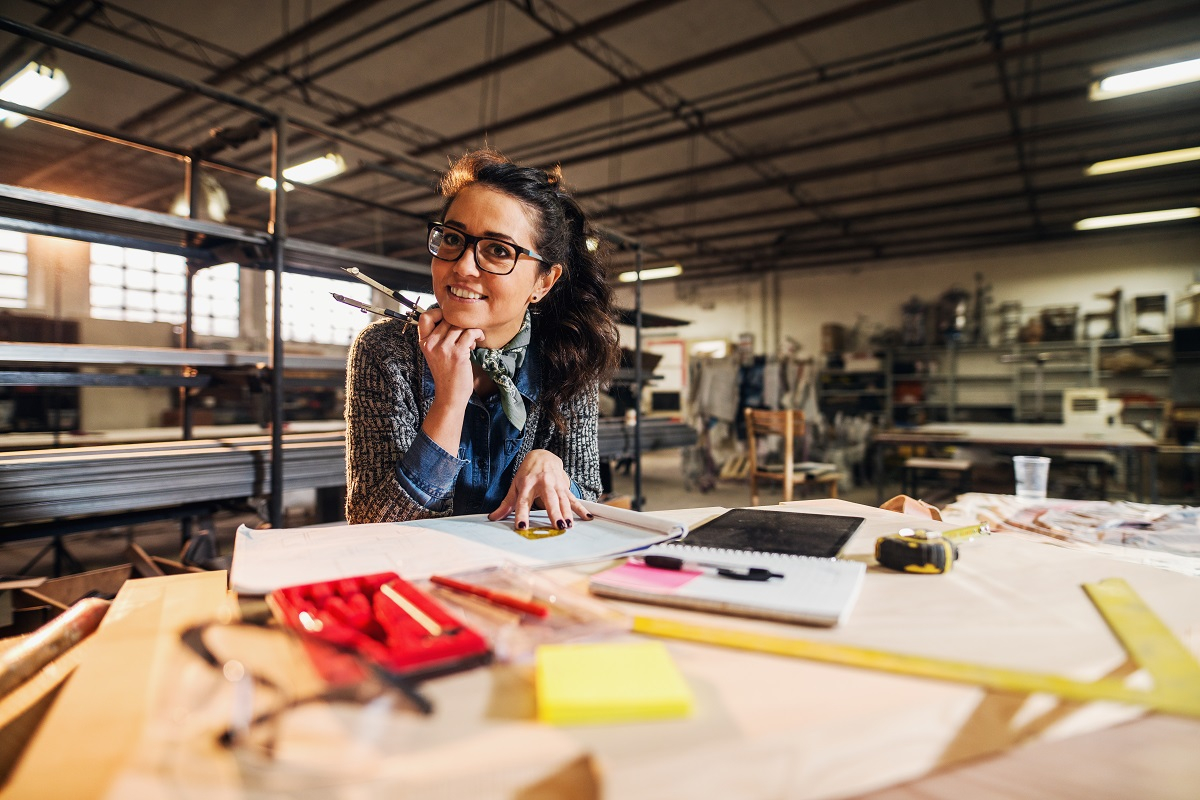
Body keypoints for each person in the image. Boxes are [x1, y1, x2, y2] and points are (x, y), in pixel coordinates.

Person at [344, 149, 621, 530]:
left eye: (498, 250)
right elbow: (369, 522)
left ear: (544, 281)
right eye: (454, 238)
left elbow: (585, 500)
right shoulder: (386, 352)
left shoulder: (567, 355)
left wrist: (552, 469)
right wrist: (449, 403)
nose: (461, 266)